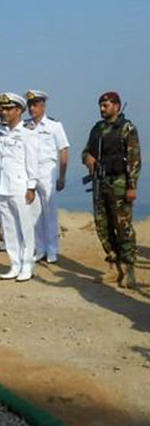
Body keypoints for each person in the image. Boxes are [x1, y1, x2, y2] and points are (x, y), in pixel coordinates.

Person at [0, 93, 40, 282]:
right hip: (2, 185)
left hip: (20, 186)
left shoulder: (28, 133)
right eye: (3, 108)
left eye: (9, 108)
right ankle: (15, 264)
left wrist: (32, 187)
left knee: (25, 228)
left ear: (19, 110)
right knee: (9, 229)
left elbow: (32, 162)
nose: (5, 112)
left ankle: (27, 265)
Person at [82, 91, 141, 289]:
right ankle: (114, 267)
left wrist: (132, 187)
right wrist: (87, 158)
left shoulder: (126, 128)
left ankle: (129, 269)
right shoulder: (97, 129)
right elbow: (86, 151)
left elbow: (134, 159)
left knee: (123, 227)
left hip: (120, 184)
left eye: (106, 105)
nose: (102, 109)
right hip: (100, 183)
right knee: (103, 226)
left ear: (117, 106)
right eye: (100, 105)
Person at [24, 90, 69, 263]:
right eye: (30, 105)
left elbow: (63, 150)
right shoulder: (25, 126)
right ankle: (40, 247)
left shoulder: (54, 126)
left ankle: (52, 249)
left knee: (49, 212)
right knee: (34, 212)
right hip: (30, 172)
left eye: (35, 104)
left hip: (47, 171)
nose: (31, 108)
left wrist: (62, 176)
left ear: (43, 105)